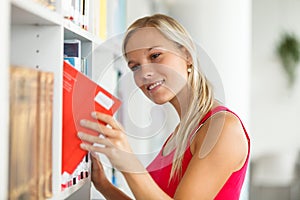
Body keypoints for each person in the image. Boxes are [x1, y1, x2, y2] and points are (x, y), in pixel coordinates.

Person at [78, 14, 250, 199]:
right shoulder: (181, 133)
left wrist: (129, 164)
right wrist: (104, 185)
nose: (145, 73)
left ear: (187, 54)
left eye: (155, 56)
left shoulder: (223, 128)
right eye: (135, 67)